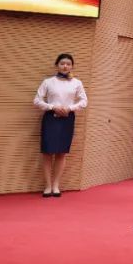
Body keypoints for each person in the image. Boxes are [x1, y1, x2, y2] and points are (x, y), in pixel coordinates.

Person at [33, 53, 87, 197]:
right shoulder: (48, 82)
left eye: (68, 64)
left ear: (72, 66)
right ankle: (47, 186)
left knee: (61, 153)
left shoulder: (77, 83)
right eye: (62, 63)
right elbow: (37, 100)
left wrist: (69, 108)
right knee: (47, 152)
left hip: (67, 119)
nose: (65, 66)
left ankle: (56, 185)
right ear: (57, 65)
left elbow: (84, 101)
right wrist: (52, 107)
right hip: (50, 118)